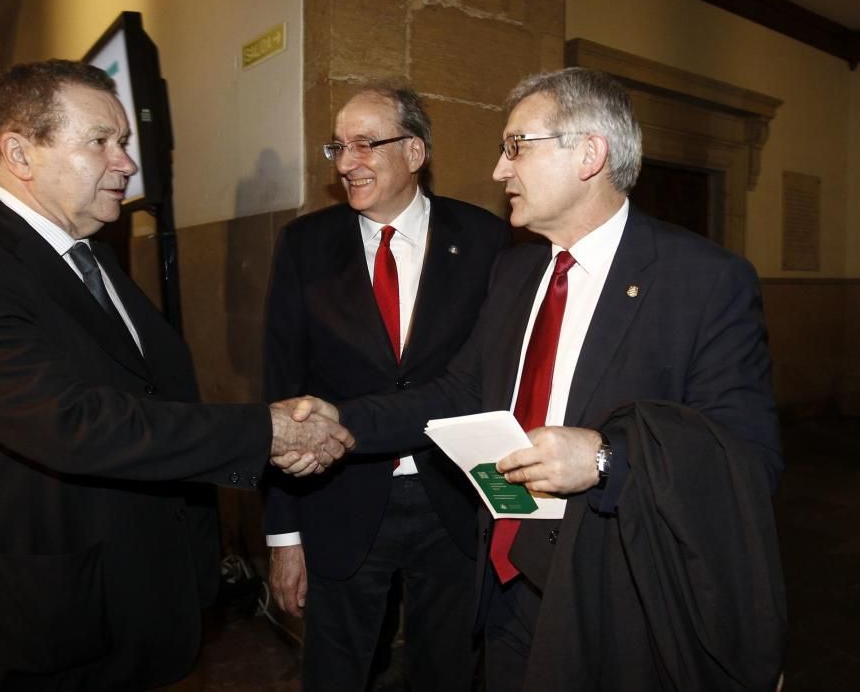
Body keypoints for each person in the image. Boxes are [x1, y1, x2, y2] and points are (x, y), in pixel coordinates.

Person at [297, 67, 786, 690]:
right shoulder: (514, 274)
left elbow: (749, 462)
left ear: (589, 153)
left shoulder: (706, 281)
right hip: (506, 587)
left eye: (515, 147)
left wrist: (608, 459)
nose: (501, 171)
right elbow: (459, 392)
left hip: (614, 599)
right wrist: (341, 422)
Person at [0, 59, 352, 691]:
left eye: (125, 143)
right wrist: (267, 433)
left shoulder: (92, 255)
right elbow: (70, 424)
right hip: (37, 626)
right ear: (19, 153)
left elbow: (149, 393)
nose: (126, 164)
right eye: (100, 142)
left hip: (136, 602)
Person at [262, 82, 509, 691]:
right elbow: (280, 388)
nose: (347, 163)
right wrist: (284, 536)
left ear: (415, 153)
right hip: (338, 500)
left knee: (446, 671)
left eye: (366, 144)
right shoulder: (305, 245)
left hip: (455, 497)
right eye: (338, 147)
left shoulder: (486, 240)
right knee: (336, 671)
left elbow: (497, 379)